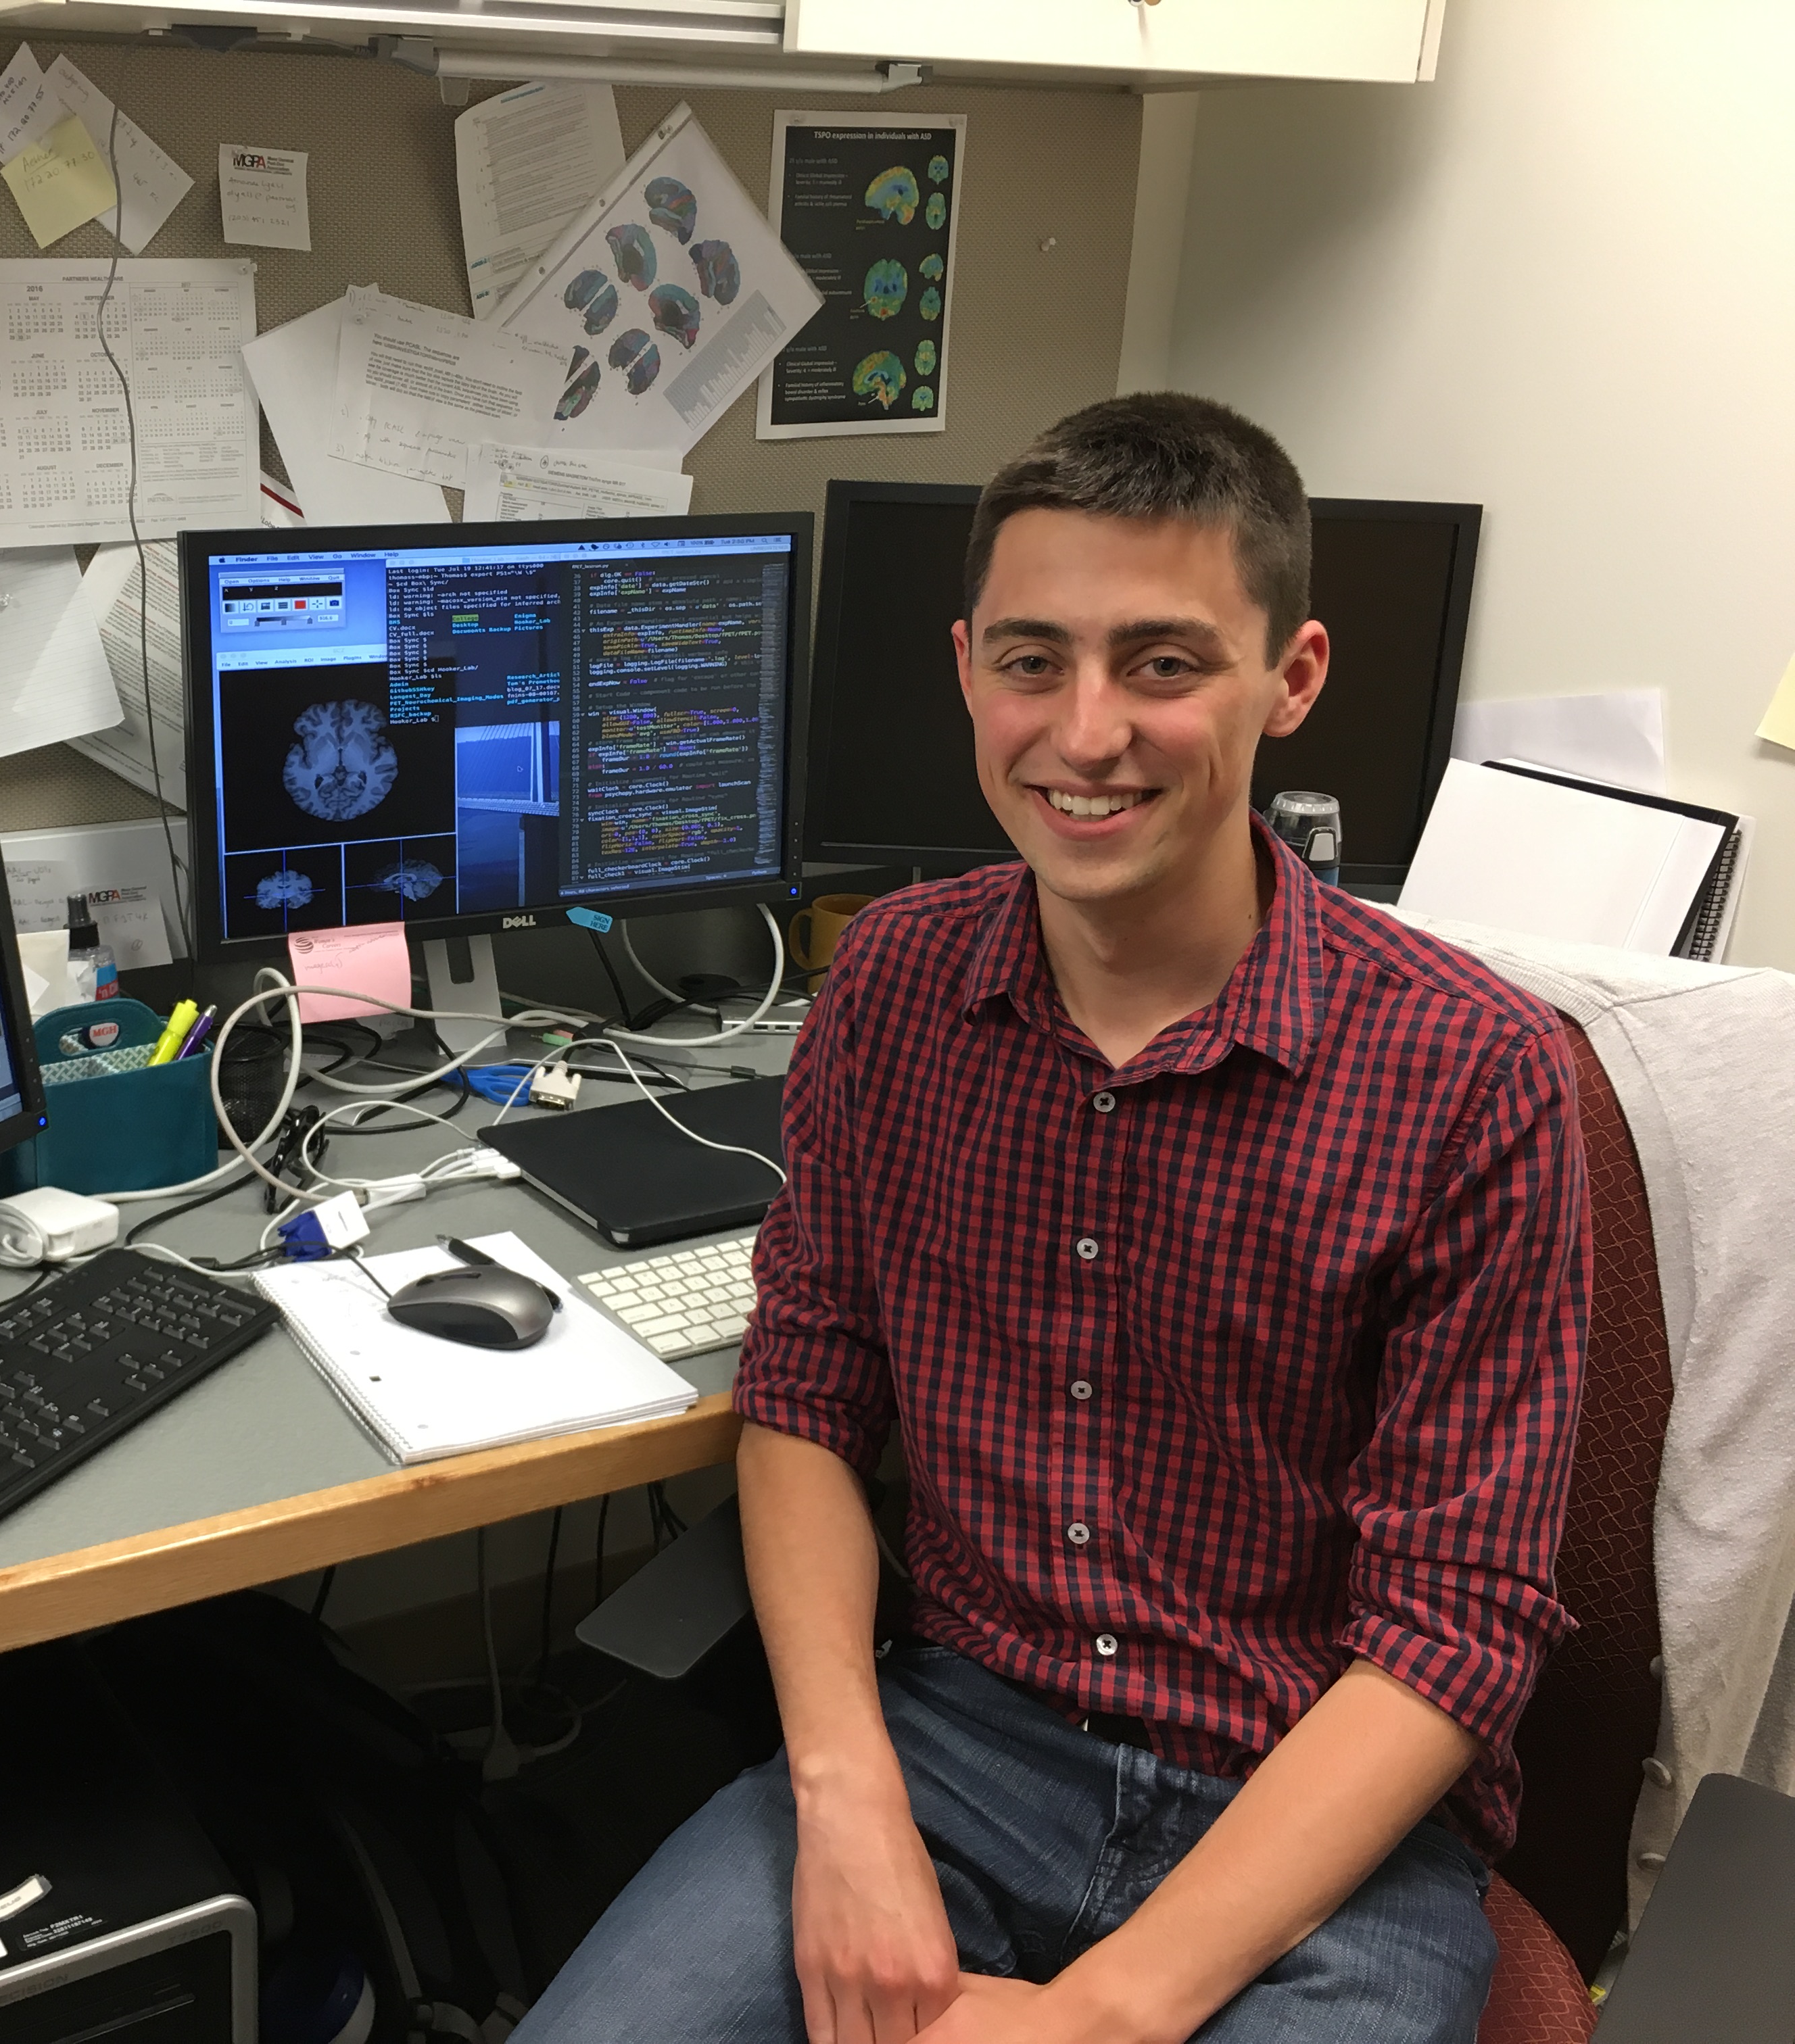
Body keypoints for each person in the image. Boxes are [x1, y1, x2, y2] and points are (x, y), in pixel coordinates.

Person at [514, 393, 1589, 2044]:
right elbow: (805, 1399)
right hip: (952, 1751)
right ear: (966, 671)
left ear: (1293, 675)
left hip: (1313, 1826)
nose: (1085, 734)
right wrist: (846, 1791)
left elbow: (1456, 1629)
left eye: (1164, 663)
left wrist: (1109, 2015)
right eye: (1033, 661)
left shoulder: (1474, 1076)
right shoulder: (889, 984)